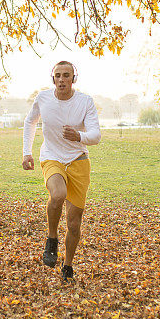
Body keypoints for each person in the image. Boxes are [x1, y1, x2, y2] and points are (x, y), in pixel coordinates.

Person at [22, 61, 101, 281]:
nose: (61, 80)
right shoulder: (43, 98)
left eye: (66, 75)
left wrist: (79, 136)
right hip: (52, 157)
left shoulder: (85, 102)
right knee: (57, 195)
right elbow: (30, 122)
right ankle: (52, 238)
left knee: (74, 223)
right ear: (53, 79)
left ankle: (67, 265)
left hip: (78, 160)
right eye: (58, 76)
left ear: (73, 78)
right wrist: (26, 152)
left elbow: (96, 135)